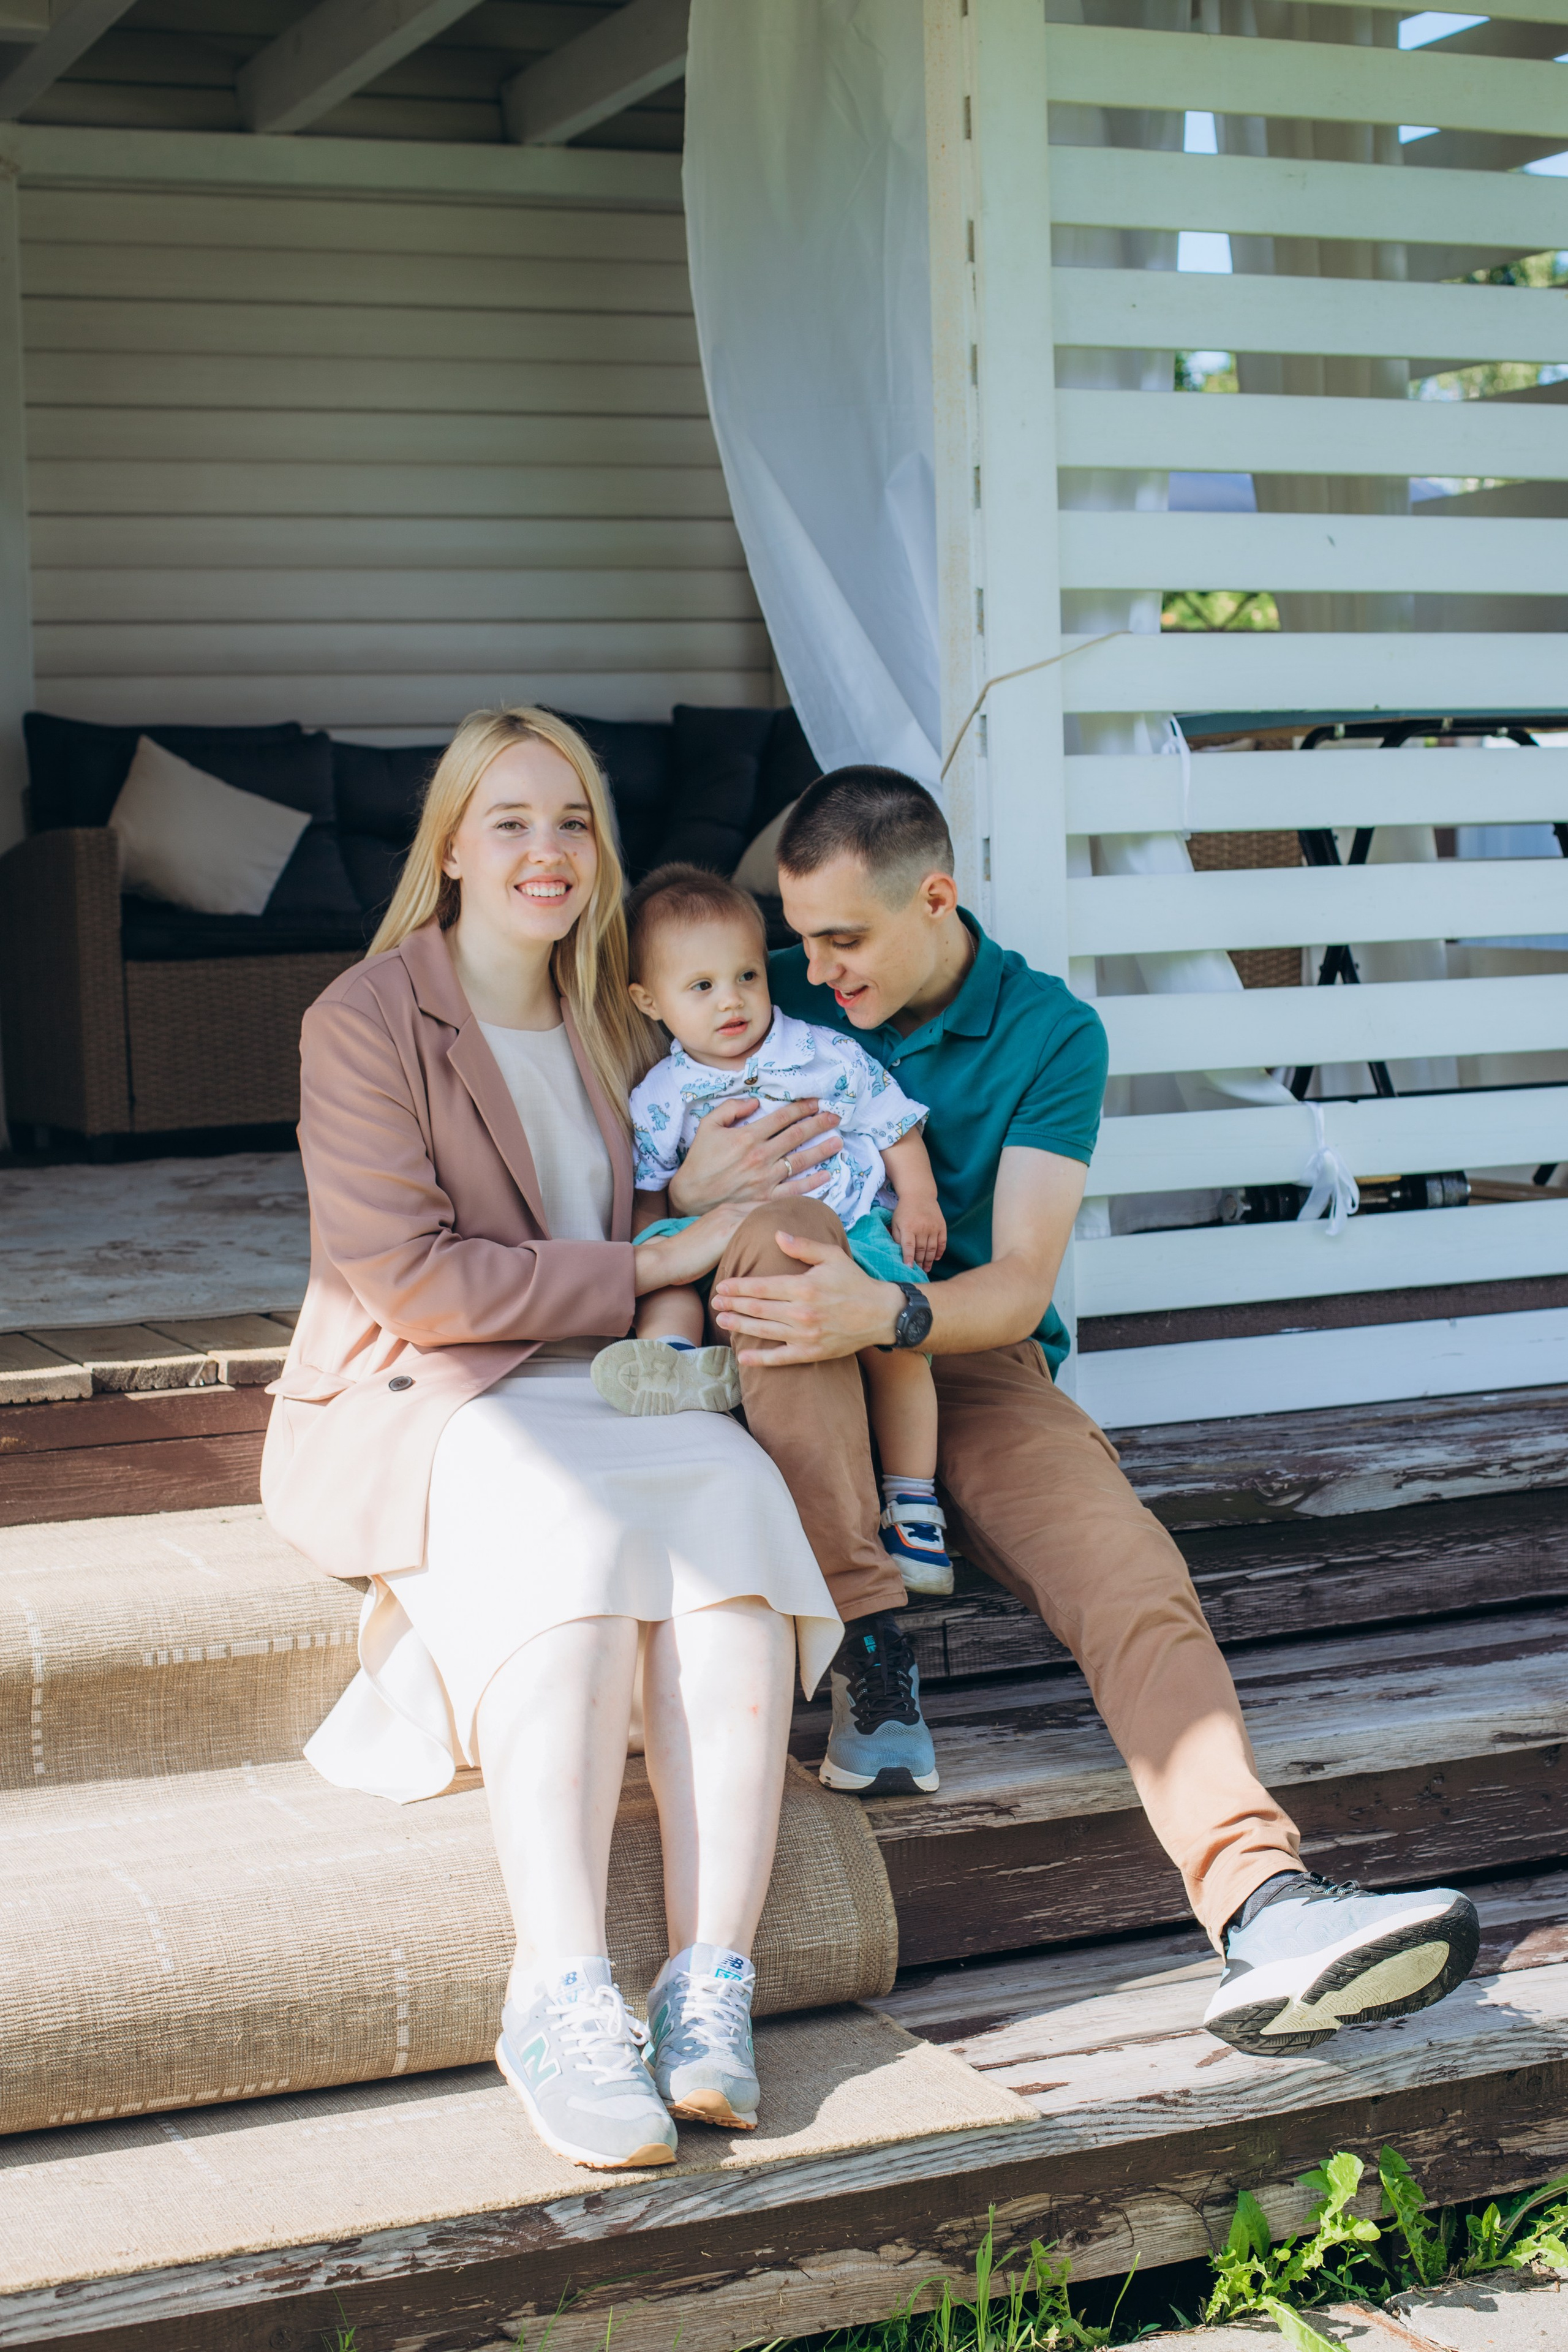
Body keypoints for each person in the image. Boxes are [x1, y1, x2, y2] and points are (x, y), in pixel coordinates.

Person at [668, 764, 1481, 2059]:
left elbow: (1015, 1284)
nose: (812, 971)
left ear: (933, 899)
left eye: (840, 939)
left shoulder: (1049, 1033)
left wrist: (881, 1318)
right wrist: (704, 1192)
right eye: (799, 938)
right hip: (769, 1359)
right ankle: (874, 1649)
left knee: (1122, 1566)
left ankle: (1261, 1903)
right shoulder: (756, 991)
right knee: (778, 1247)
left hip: (955, 1360)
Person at [260, 707, 840, 2170]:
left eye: (571, 820)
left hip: (608, 1377)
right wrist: (659, 1255)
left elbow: (644, 1214)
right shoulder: (363, 1021)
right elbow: (417, 1281)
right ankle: (560, 1988)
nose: (546, 850)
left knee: (728, 1516)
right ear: (451, 845)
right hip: (436, 1384)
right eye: (510, 820)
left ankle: (711, 1978)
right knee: (571, 1539)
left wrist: (687, 1205)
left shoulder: (617, 1016)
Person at [589, 862, 955, 1615]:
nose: (731, 1000)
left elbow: (892, 1123)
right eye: (701, 988)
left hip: (849, 1228)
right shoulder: (660, 1096)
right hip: (719, 1237)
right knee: (666, 1273)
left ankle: (914, 1505)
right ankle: (677, 1365)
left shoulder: (820, 1052)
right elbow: (651, 1192)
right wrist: (651, 1252)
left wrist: (916, 1199)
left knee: (899, 1347)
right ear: (647, 1001)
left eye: (746, 976)